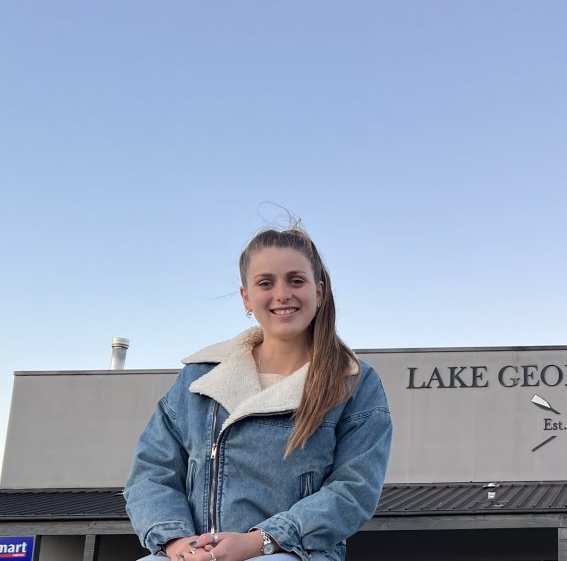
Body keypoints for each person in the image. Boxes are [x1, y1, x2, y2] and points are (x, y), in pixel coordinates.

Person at [125, 226, 392, 561]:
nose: (282, 294)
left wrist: (261, 541)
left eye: (296, 280)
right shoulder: (200, 378)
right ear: (246, 298)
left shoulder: (354, 382)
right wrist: (178, 543)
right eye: (266, 283)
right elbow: (152, 472)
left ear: (319, 292)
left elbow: (354, 490)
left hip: (298, 553)